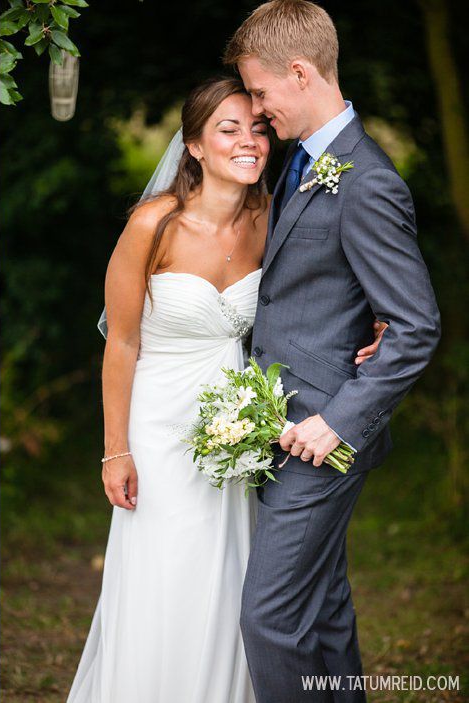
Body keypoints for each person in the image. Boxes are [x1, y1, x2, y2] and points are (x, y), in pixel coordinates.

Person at [68, 75, 387, 703]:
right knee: (169, 570)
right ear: (193, 146)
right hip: (159, 425)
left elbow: (321, 291)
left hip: (240, 419)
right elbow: (122, 343)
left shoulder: (273, 220)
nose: (250, 141)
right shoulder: (152, 226)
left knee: (236, 573)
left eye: (259, 128)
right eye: (229, 129)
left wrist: (379, 322)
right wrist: (115, 449)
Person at [225, 2, 440, 701]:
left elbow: (414, 325)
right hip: (282, 423)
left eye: (259, 92)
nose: (256, 110)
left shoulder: (367, 180)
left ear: (298, 71)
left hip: (322, 434)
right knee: (320, 612)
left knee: (269, 618)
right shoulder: (300, 164)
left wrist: (339, 422)